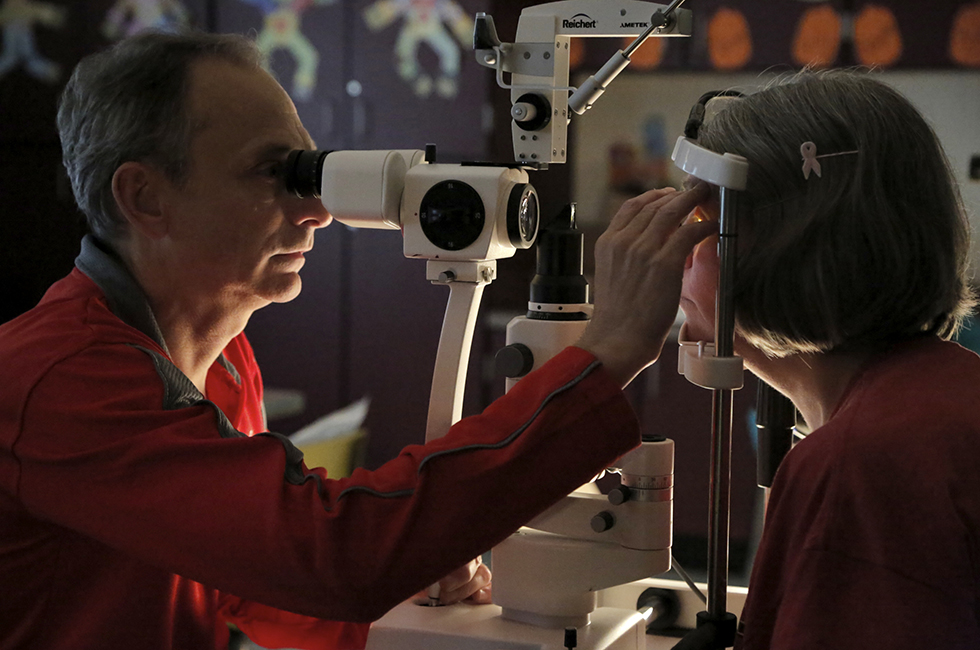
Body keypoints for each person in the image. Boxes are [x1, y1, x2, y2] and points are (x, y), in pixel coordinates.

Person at [0, 31, 717, 650]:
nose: (316, 211)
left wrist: (409, 596)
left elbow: (246, 576)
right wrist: (606, 356)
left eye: (310, 170)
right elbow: (329, 552)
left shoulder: (216, 358)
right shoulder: (61, 382)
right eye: (272, 172)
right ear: (145, 198)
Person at [679, 70, 980, 649]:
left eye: (701, 223)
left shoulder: (862, 464)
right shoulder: (945, 396)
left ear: (784, 246)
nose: (680, 255)